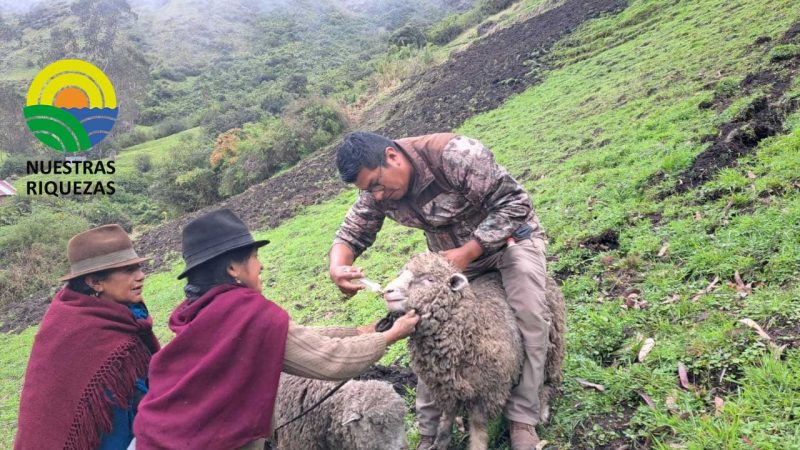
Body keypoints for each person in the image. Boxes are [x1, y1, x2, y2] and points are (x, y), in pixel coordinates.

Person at [330, 132, 551, 450]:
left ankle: (522, 417)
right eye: (368, 190)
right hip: (451, 263)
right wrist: (339, 266)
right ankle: (430, 430)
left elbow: (515, 202)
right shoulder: (378, 190)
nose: (376, 195)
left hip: (510, 243)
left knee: (530, 315)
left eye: (376, 184)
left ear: (392, 156)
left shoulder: (454, 155)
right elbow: (352, 232)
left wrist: (469, 251)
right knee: (429, 330)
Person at [132, 209, 418, 449]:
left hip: (157, 437)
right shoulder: (247, 312)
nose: (262, 266)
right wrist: (391, 335)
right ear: (233, 268)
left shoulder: (201, 311)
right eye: (255, 257)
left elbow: (290, 337)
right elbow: (330, 359)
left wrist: (359, 332)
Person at [15, 224, 160, 450]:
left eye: (139, 267)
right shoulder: (74, 326)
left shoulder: (126, 314)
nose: (141, 276)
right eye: (128, 270)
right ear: (95, 282)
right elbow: (110, 421)